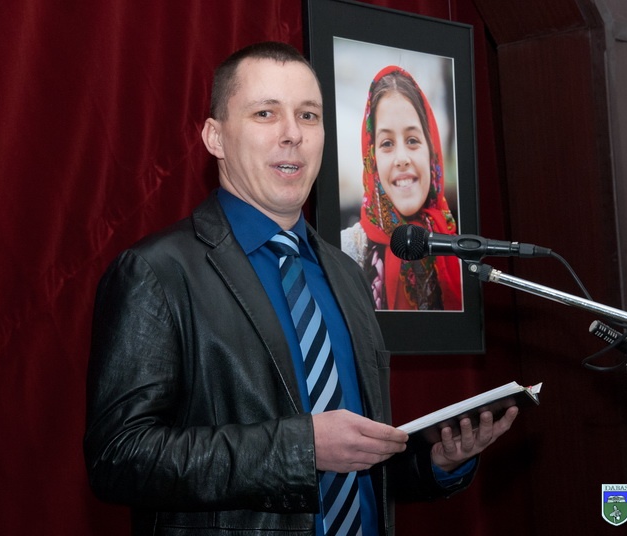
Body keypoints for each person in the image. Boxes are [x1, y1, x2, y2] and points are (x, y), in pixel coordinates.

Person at [84, 42, 518, 536]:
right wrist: (302, 449)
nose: (292, 134)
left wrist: (435, 462)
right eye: (265, 113)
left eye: (308, 115)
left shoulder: (347, 274)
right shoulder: (156, 272)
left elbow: (355, 468)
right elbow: (118, 457)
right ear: (215, 137)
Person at [341, 66, 462, 311]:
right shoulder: (346, 253)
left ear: (431, 151)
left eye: (412, 140)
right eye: (387, 143)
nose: (402, 158)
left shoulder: (459, 251)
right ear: (372, 159)